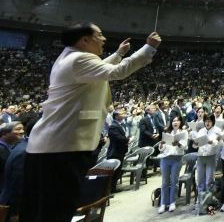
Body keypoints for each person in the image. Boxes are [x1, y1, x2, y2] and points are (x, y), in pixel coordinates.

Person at [20, 23, 161, 222]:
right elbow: (117, 72)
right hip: (61, 149)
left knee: (46, 209)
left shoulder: (71, 57)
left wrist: (118, 54)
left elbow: (102, 70)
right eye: (100, 35)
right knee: (55, 211)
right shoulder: (79, 59)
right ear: (84, 40)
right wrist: (149, 47)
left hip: (55, 147)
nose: (104, 39)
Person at [158, 115, 187, 214]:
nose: (175, 122)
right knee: (165, 181)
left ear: (180, 123)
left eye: (177, 121)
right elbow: (161, 148)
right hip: (165, 159)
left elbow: (184, 146)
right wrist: (161, 144)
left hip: (176, 159)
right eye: (173, 121)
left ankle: (172, 202)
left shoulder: (183, 133)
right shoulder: (167, 133)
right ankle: (163, 203)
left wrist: (178, 144)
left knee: (174, 181)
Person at [193, 115, 221, 194]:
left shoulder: (217, 130)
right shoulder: (201, 130)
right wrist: (195, 143)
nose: (207, 123)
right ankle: (200, 198)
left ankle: (209, 199)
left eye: (209, 121)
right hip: (201, 156)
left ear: (213, 122)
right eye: (206, 121)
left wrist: (211, 142)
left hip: (211, 156)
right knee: (200, 178)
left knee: (209, 179)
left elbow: (218, 143)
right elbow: (196, 145)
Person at [107, 110, 130, 193]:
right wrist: (128, 140)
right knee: (113, 172)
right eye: (122, 114)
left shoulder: (121, 124)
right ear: (116, 116)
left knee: (118, 171)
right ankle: (109, 190)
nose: (124, 115)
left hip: (120, 151)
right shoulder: (113, 126)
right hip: (115, 152)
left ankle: (113, 188)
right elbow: (118, 137)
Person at [0, 122, 24, 194]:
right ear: (5, 133)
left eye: (22, 129)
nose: (22, 131)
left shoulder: (14, 145)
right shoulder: (1, 149)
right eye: (18, 129)